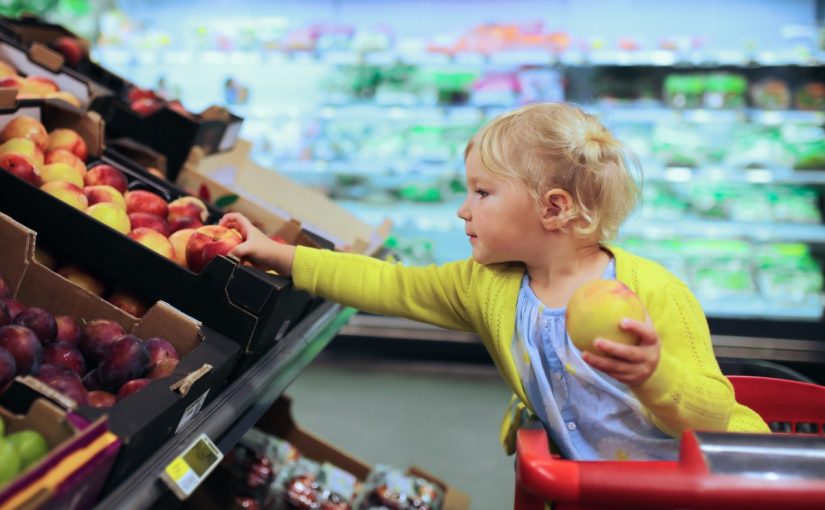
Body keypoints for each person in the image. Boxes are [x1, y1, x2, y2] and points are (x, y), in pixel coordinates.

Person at [220, 102, 769, 462]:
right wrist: (281, 255)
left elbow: (713, 414)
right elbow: (392, 285)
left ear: (553, 209)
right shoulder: (492, 285)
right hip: (587, 486)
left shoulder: (653, 294)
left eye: (482, 193)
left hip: (698, 485)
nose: (464, 210)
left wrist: (654, 373)